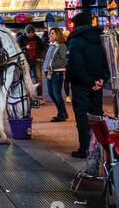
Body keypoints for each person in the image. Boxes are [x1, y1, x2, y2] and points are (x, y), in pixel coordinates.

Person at [65, 11, 109, 158]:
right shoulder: (101, 38)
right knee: (97, 115)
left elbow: (76, 65)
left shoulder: (75, 40)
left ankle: (85, 148)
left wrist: (89, 82)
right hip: (98, 84)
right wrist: (101, 80)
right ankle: (99, 147)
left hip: (82, 85)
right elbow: (108, 61)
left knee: (83, 117)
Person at [42, 27, 68, 122]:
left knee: (56, 94)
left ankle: (62, 114)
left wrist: (51, 65)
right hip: (50, 72)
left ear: (58, 34)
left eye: (52, 33)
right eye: (50, 33)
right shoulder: (51, 45)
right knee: (51, 93)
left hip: (57, 72)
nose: (50, 35)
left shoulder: (61, 46)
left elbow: (64, 60)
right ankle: (62, 112)